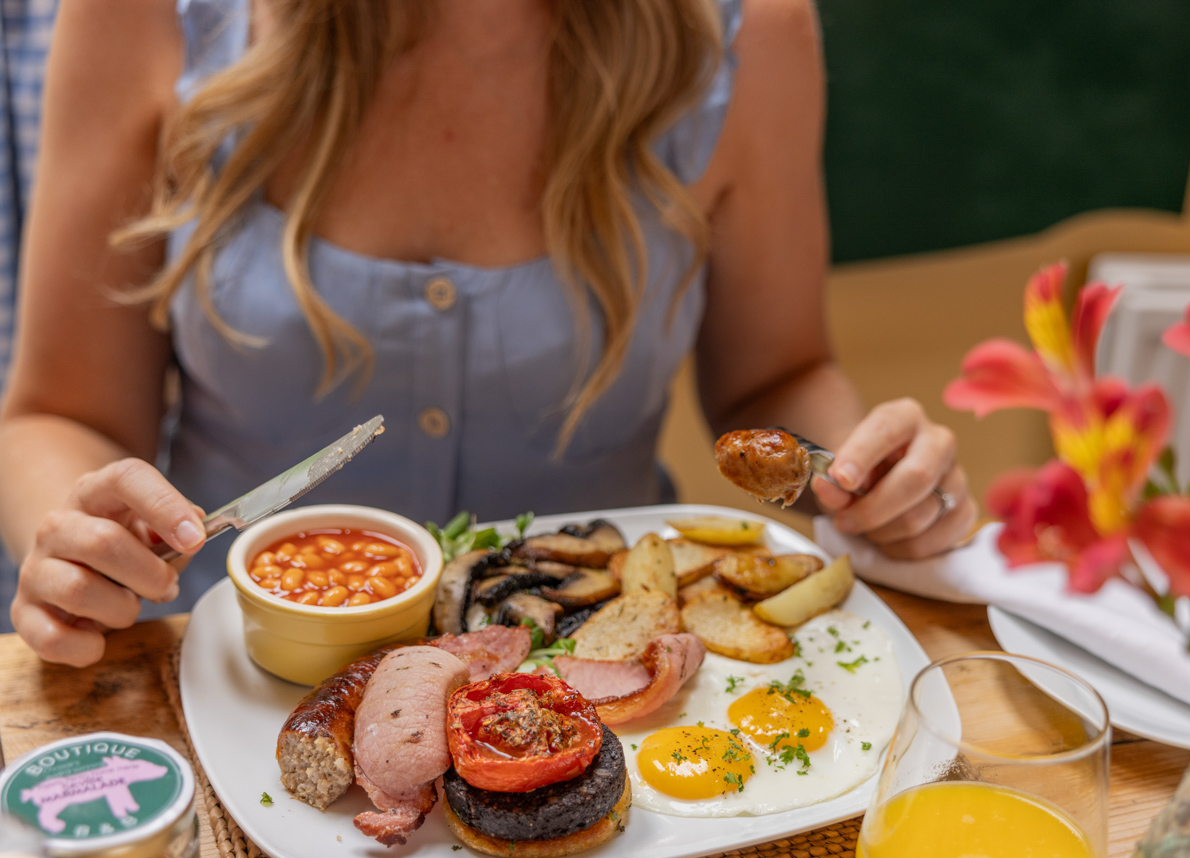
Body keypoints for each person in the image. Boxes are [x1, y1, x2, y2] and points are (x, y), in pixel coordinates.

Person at [0, 0, 976, 667]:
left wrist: (856, 474)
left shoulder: (748, 28)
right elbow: (58, 414)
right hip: (235, 672)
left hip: (618, 692)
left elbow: (780, 375)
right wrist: (81, 542)